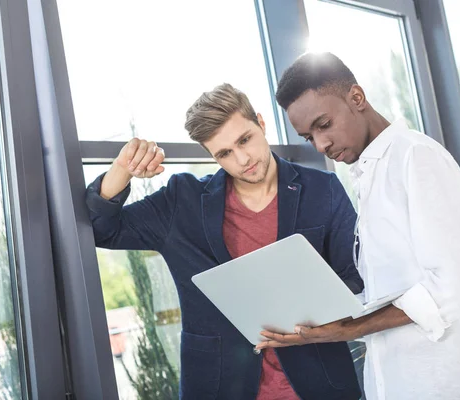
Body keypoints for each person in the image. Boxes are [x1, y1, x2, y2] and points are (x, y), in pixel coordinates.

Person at [256, 52, 460, 400]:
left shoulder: (416, 158)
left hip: (450, 384)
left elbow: (452, 287)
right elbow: (393, 288)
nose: (321, 145)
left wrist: (347, 329)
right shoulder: (369, 175)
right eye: (309, 137)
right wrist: (319, 316)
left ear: (356, 98)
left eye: (324, 125)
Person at [85, 83, 363, 399]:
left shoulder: (322, 189)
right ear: (211, 155)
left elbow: (353, 279)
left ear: (260, 122)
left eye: (245, 139)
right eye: (224, 153)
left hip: (317, 381)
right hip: (220, 386)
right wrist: (123, 169)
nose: (243, 159)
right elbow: (100, 229)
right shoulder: (182, 201)